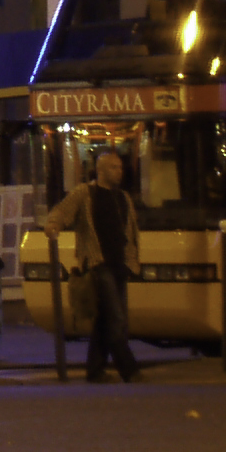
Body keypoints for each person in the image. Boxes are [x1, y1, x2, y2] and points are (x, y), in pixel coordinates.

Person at [42, 144, 142, 383]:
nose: (120, 171)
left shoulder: (123, 197)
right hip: (98, 263)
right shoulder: (85, 193)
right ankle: (129, 369)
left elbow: (130, 231)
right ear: (101, 170)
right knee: (117, 318)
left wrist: (133, 260)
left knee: (106, 317)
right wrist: (54, 225)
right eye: (114, 167)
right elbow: (63, 211)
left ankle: (95, 370)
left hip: (120, 263)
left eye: (120, 167)